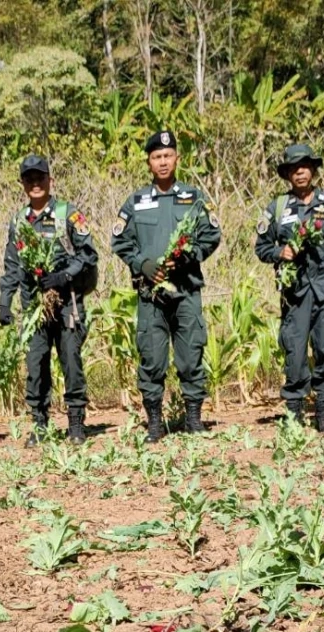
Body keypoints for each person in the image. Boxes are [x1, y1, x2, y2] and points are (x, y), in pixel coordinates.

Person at [110, 130, 222, 441]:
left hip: (185, 290)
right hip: (151, 295)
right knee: (152, 358)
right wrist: (142, 265)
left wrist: (191, 257)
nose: (163, 161)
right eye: (157, 157)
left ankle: (194, 419)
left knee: (190, 354)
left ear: (177, 158)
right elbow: (120, 240)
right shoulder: (135, 202)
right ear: (149, 161)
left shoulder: (194, 197)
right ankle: (155, 423)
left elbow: (211, 235)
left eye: (168, 155)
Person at [254, 143, 324, 432]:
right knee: (295, 351)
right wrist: (280, 253)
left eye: (304, 166)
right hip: (294, 293)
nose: (300, 172)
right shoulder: (277, 208)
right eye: (293, 168)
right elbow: (261, 248)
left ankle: (323, 411)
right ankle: (295, 412)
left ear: (312, 170)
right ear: (287, 174)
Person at [0, 154, 99, 446]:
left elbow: (88, 254)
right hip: (34, 307)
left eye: (40, 177)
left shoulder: (68, 214)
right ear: (23, 184)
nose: (35, 183)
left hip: (67, 303)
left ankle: (76, 423)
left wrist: (64, 276)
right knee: (36, 364)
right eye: (29, 178)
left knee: (71, 361)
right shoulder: (19, 221)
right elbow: (12, 266)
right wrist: (4, 303)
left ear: (49, 180)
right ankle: (39, 423)